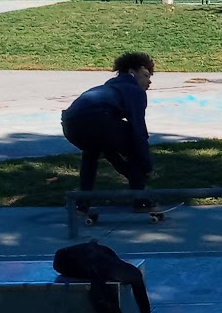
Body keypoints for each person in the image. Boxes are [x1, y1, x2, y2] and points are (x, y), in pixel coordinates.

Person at [62, 52, 155, 206]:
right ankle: (141, 201)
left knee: (92, 151)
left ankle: (82, 203)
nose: (149, 81)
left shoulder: (109, 86)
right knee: (135, 146)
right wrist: (147, 165)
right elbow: (138, 130)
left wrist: (123, 166)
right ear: (132, 73)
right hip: (97, 120)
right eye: (145, 75)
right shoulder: (134, 90)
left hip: (70, 124)